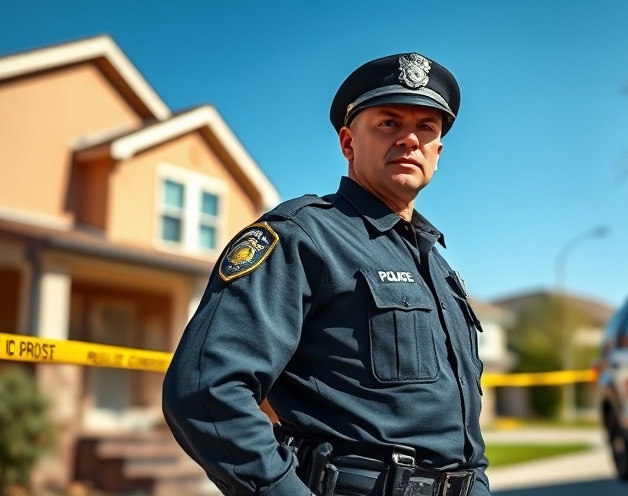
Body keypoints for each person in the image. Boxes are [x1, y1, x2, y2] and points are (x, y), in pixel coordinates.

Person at [162, 52, 489, 496]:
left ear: (438, 152)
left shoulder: (439, 265)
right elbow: (204, 390)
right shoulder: (303, 237)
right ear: (348, 143)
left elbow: (460, 426)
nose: (410, 139)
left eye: (425, 128)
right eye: (389, 123)